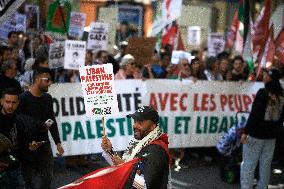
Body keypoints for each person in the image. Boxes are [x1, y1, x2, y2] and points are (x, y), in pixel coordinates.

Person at [101, 106, 170, 189]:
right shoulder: (140, 143)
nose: (135, 126)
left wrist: (123, 167)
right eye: (135, 121)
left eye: (140, 123)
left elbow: (145, 185)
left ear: (153, 126)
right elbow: (126, 165)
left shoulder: (155, 151)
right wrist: (109, 150)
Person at [18, 67, 64, 189]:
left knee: (47, 177)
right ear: (37, 79)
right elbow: (18, 124)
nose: (50, 83)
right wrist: (25, 144)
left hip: (44, 143)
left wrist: (58, 143)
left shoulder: (47, 98)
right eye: (47, 80)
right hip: (28, 146)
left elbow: (52, 120)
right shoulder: (23, 99)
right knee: (29, 180)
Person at [240, 68, 284, 189]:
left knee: (249, 164)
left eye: (265, 75)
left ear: (269, 78)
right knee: (265, 165)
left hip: (256, 135)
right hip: (271, 136)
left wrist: (245, 131)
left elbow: (255, 114)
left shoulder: (263, 93)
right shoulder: (281, 95)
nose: (263, 77)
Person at [0, 88, 25, 189]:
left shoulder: (18, 119)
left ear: (18, 103)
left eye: (14, 102)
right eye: (7, 102)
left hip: (16, 167)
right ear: (1, 101)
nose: (10, 106)